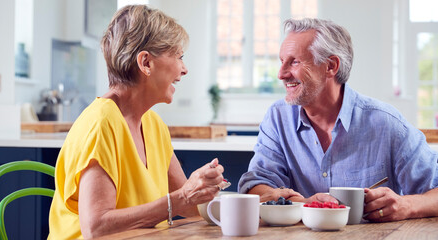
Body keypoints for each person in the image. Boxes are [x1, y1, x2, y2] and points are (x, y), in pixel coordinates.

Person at [48, 5, 225, 239]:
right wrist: (182, 197)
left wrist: (204, 189)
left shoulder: (153, 124)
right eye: (179, 56)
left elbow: (188, 208)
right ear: (146, 63)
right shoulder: (101, 125)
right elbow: (95, 227)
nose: (184, 69)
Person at [238, 18, 438, 222]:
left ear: (331, 66)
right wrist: (303, 203)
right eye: (282, 61)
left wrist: (407, 205)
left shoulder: (387, 124)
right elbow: (258, 183)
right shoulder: (277, 118)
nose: (281, 74)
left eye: (294, 61)